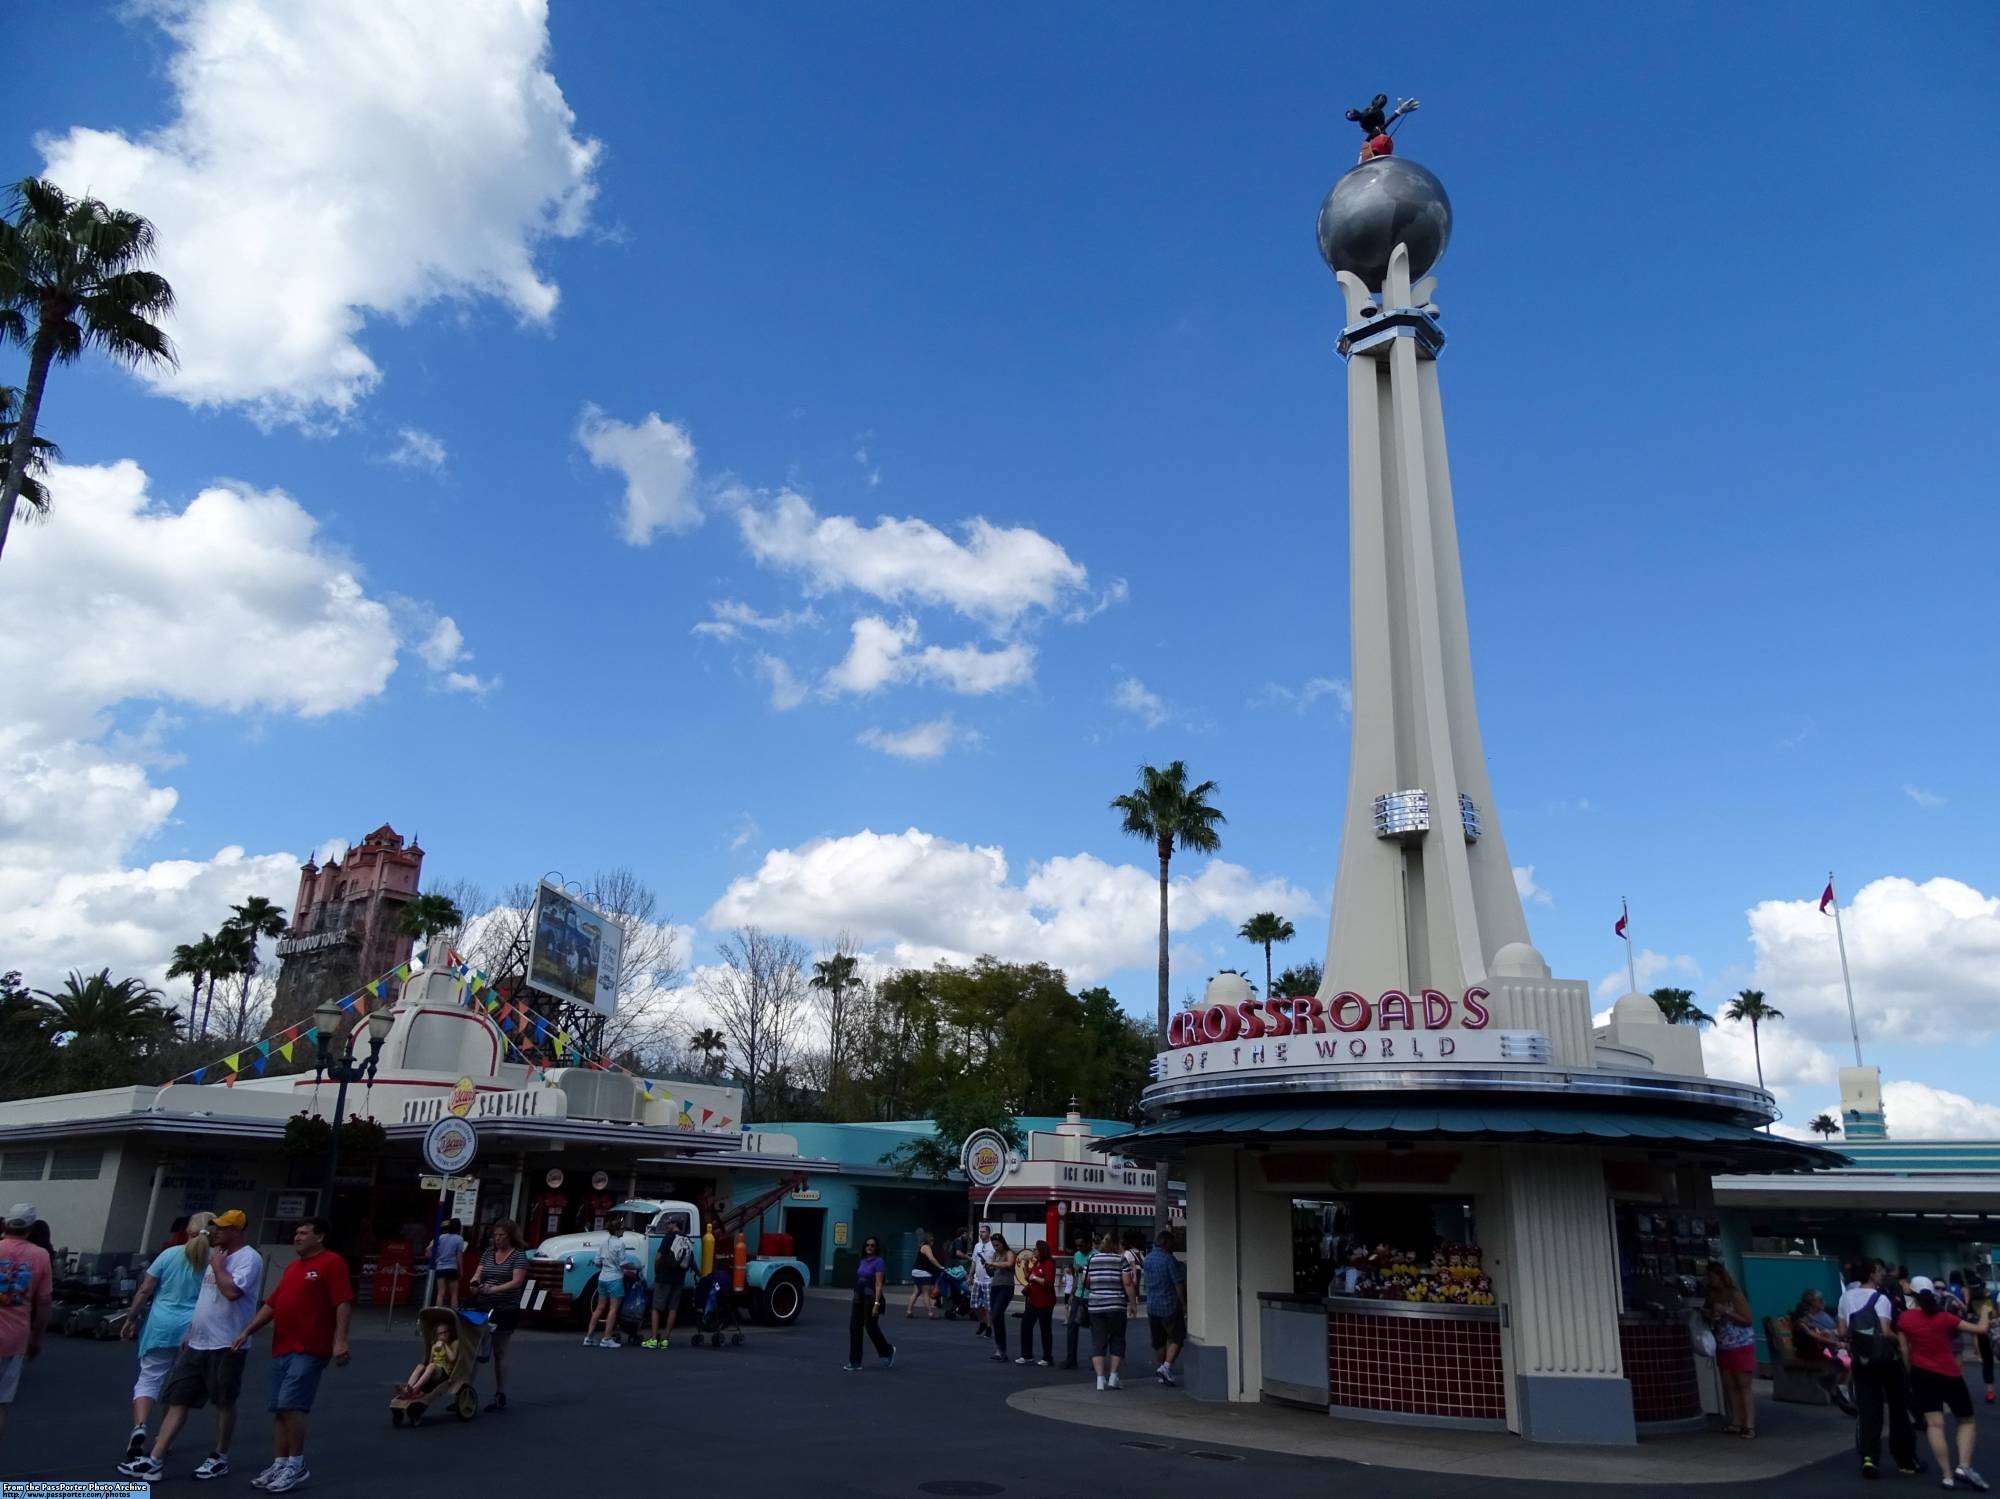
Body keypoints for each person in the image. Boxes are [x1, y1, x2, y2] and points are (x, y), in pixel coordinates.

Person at [119, 1207, 263, 1483]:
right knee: (177, 1398)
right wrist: (191, 1331)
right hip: (197, 1340)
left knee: (223, 1402)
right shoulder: (215, 1256)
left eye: (221, 1228)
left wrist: (219, 1268)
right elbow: (204, 1296)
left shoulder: (248, 1259)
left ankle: (220, 1456)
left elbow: (232, 1292)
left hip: (226, 1343)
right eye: (215, 1227)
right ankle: (155, 1459)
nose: (215, 1232)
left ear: (236, 1231)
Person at [231, 1216, 353, 1494]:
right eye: (296, 1233)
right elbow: (273, 1304)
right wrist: (247, 1330)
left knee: (291, 1403)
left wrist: (341, 1340)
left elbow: (342, 1301)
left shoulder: (332, 1263)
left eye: (303, 1233)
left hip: (310, 1347)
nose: (297, 1237)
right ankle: (281, 1461)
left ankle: (296, 1464)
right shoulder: (293, 1268)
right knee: (279, 1407)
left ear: (319, 1237)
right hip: (283, 1346)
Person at [123, 1210, 216, 1460]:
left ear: (188, 1230)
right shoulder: (215, 1259)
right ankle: (164, 1439)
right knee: (179, 1386)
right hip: (193, 1328)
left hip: (160, 1324)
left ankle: (140, 1425)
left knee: (149, 1378)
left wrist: (131, 1318)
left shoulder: (168, 1254)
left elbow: (145, 1290)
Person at [1899, 1274, 1993, 1490]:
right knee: (1967, 1420)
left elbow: (1904, 1348)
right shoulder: (1943, 1318)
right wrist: (1986, 1311)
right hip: (1949, 1374)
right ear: (1933, 1293)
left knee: (1934, 1424)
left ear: (1911, 1293)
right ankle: (1964, 1465)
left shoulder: (1905, 1319)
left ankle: (1947, 1475)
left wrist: (1909, 1370)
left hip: (1921, 1374)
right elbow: (1980, 1330)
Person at [1842, 1257, 1923, 1479]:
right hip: (1886, 1361)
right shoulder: (1881, 1298)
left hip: (1861, 1361)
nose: (1882, 1274)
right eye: (1879, 1271)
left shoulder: (1845, 1297)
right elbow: (1886, 1332)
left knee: (1869, 1409)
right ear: (1871, 1274)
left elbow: (1842, 1330)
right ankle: (1905, 1460)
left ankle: (1869, 1458)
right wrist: (1900, 1341)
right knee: (1898, 1409)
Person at [0, 1203, 54, 1448]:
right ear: (31, 1228)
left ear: (5, 1224)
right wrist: (37, 1338)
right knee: (1, 1403)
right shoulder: (41, 1256)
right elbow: (43, 1303)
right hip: (15, 1338)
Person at [471, 1220, 528, 1411]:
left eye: (502, 1235)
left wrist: (494, 1289)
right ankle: (466, 1391)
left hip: (505, 1307)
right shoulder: (488, 1254)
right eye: (495, 1235)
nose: (498, 1239)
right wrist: (475, 1283)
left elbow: (516, 1282)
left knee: (500, 1350)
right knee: (474, 1348)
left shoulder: (518, 1256)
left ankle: (500, 1392)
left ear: (510, 1236)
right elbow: (478, 1273)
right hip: (484, 1304)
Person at [1703, 1261, 1757, 1438]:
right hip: (1723, 1343)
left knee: (1743, 1385)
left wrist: (1726, 1311)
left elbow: (1747, 1319)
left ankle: (1749, 1423)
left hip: (1741, 1343)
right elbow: (1708, 1314)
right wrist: (1711, 1314)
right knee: (1730, 1385)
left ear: (1720, 1276)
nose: (1709, 1280)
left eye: (1711, 1276)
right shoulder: (1711, 1296)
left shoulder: (1735, 1295)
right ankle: (1737, 1420)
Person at [1789, 1287, 1855, 1415]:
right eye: (1819, 1300)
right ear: (1811, 1305)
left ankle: (1840, 1388)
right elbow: (1816, 1336)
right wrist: (1836, 1342)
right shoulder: (1802, 1322)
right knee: (1849, 1361)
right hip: (1814, 1351)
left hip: (1824, 1348)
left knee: (1849, 1359)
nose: (1822, 1302)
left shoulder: (1821, 1315)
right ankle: (1840, 1389)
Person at [1085, 1230, 1134, 1392]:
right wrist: (1132, 1303)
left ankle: (1100, 1380)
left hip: (1096, 1306)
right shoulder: (1121, 1260)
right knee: (1118, 1338)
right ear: (1115, 1244)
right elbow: (1128, 1284)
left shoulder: (1091, 1259)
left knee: (1098, 1341)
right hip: (1116, 1305)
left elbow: (1087, 1283)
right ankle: (1113, 1377)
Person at [582, 1214, 638, 1348]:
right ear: (618, 1230)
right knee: (613, 1309)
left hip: (602, 1278)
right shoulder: (620, 1244)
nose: (624, 1231)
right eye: (623, 1229)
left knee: (599, 1307)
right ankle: (606, 1338)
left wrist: (606, 1266)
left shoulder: (603, 1243)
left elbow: (597, 1262)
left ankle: (588, 1337)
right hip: (615, 1278)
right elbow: (623, 1264)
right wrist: (635, 1266)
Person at [1144, 1230, 1188, 1387]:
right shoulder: (1168, 1260)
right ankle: (1166, 1367)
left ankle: (1163, 1371)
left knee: (1159, 1342)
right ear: (1166, 1243)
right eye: (1172, 1243)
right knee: (1177, 1336)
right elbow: (1178, 1283)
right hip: (1168, 1305)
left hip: (1152, 1305)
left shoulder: (1147, 1259)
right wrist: (1184, 1303)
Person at [844, 1235, 895, 1371]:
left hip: (871, 1297)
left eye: (872, 1245)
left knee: (871, 1327)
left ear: (876, 1247)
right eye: (867, 1245)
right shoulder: (862, 1260)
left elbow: (879, 1284)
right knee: (854, 1326)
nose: (869, 1247)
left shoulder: (879, 1262)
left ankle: (887, 1350)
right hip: (858, 1296)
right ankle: (855, 1361)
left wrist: (877, 1304)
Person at [645, 1213, 695, 1349]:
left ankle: (654, 1338)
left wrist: (657, 1271)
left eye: (669, 1223)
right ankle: (666, 1339)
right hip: (679, 1278)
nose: (667, 1225)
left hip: (664, 1277)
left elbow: (658, 1257)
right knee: (673, 1308)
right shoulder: (686, 1238)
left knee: (656, 1307)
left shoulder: (668, 1237)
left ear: (674, 1224)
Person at [1017, 1239, 1056, 1367]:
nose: (1034, 1251)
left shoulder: (1049, 1263)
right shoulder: (1037, 1263)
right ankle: (1027, 1355)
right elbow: (1029, 1277)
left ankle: (1047, 1357)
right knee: (1026, 1325)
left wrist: (1034, 1278)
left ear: (1041, 1251)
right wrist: (1026, 1270)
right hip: (1033, 1299)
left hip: (1045, 1301)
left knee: (1045, 1329)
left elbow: (1048, 1282)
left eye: (1036, 1249)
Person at [397, 1319, 457, 1401]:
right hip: (434, 1371)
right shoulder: (434, 1346)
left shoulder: (453, 1343)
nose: (444, 1335)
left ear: (450, 1332)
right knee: (420, 1366)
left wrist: (445, 1344)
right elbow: (430, 1361)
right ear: (437, 1336)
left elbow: (452, 1359)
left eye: (446, 1332)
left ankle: (415, 1388)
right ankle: (407, 1389)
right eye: (440, 1334)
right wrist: (425, 1371)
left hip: (444, 1372)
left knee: (432, 1366)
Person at [1061, 1233, 1091, 1371]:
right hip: (1079, 1293)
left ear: (1088, 1243)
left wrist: (1083, 1269)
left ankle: (1096, 1359)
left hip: (1091, 1295)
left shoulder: (1095, 1255)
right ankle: (1071, 1358)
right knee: (1072, 1326)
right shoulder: (1077, 1255)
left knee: (1095, 1328)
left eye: (1081, 1245)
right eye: (1077, 1245)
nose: (1079, 1248)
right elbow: (1075, 1277)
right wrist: (1072, 1293)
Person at [986, 1234, 1017, 1362]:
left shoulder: (1009, 1253)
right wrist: (989, 1268)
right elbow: (992, 1273)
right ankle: (1000, 1349)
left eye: (997, 1245)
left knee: (997, 1313)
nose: (996, 1248)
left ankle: (1001, 1349)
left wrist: (994, 1263)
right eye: (993, 1245)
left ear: (1002, 1243)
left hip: (1006, 1286)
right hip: (995, 1286)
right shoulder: (995, 1255)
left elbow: (1010, 1264)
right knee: (995, 1316)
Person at [427, 1218, 465, 1311]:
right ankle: (454, 1314)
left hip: (440, 1267)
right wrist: (461, 1270)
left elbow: (428, 1249)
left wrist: (434, 1259)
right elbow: (459, 1256)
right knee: (454, 1293)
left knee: (440, 1293)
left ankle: (438, 1313)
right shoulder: (459, 1239)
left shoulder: (440, 1237)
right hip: (452, 1267)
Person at [907, 1231, 946, 1319]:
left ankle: (909, 1311)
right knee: (926, 1293)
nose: (933, 1242)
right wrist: (940, 1267)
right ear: (928, 1240)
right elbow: (931, 1258)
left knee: (916, 1292)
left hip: (916, 1271)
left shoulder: (921, 1247)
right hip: (923, 1273)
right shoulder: (926, 1247)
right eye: (931, 1240)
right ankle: (930, 1313)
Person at [1970, 1278, 1997, 1406]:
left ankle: (1990, 1391)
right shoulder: (1992, 1297)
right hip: (1996, 1333)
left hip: (1983, 1335)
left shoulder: (1972, 1301)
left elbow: (1973, 1326)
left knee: (1987, 1363)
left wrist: (1977, 1352)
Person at [967, 1225, 995, 1339]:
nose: (981, 1233)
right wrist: (970, 1276)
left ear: (988, 1233)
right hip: (977, 1279)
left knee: (988, 1306)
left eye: (983, 1232)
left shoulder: (993, 1247)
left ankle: (988, 1327)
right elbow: (974, 1261)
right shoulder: (977, 1246)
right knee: (974, 1304)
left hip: (988, 1280)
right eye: (980, 1232)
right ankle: (982, 1322)